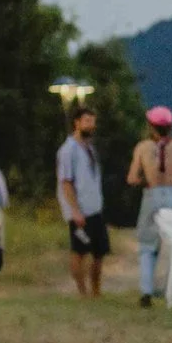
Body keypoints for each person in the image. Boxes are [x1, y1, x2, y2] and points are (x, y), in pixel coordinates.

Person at [128, 105, 172, 308]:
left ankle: (146, 290)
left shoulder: (142, 148)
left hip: (152, 195)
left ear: (151, 126)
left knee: (147, 245)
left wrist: (146, 179)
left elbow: (131, 178)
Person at [56, 106, 109, 297]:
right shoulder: (68, 150)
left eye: (92, 121)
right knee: (79, 250)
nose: (91, 125)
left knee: (100, 251)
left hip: (95, 207)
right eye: (86, 121)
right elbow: (66, 181)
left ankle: (96, 289)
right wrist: (75, 210)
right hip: (80, 210)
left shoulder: (90, 148)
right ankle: (82, 291)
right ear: (76, 123)